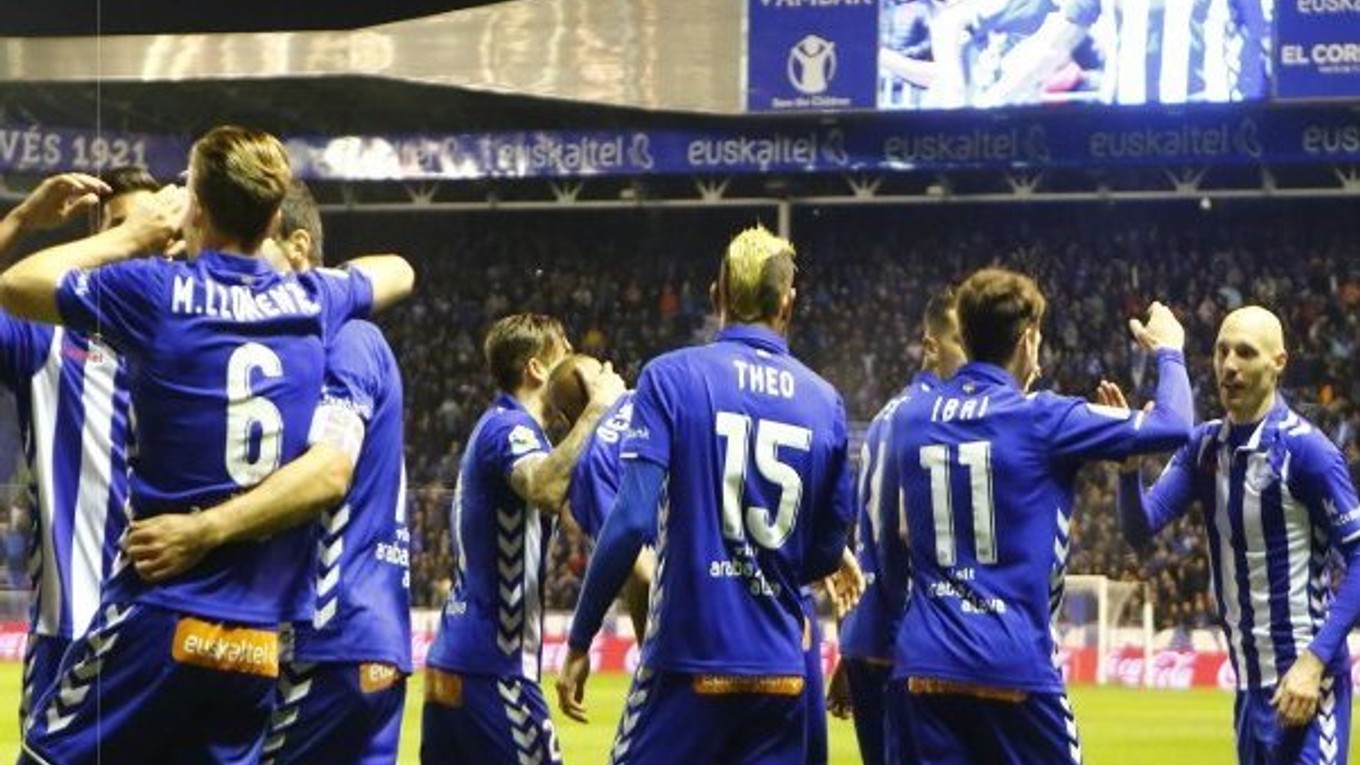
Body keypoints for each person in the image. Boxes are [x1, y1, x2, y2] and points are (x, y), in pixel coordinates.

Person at [2, 125, 414, 765]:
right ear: (273, 217)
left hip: (158, 614)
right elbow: (398, 270)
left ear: (193, 209)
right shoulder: (311, 300)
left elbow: (17, 283)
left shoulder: (155, 297)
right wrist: (298, 284)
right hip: (254, 646)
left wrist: (128, 237)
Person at [123, 179, 414, 765]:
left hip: (325, 640)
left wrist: (202, 530)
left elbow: (328, 471)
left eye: (258, 248)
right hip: (370, 642)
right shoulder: (333, 341)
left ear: (299, 248)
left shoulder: (344, 338)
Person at [557, 225, 855, 765]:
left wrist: (581, 638)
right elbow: (826, 551)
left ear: (717, 295)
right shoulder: (825, 402)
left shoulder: (669, 378)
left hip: (687, 661)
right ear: (788, 303)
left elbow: (630, 522)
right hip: (779, 671)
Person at [889, 266, 1192, 764]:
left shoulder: (910, 417)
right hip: (1011, 667)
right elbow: (1174, 424)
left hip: (921, 667)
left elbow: (904, 527)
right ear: (1027, 340)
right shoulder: (1044, 417)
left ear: (964, 336)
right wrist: (1170, 350)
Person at [1116, 305, 1360, 765]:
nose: (1229, 366)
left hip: (1309, 685)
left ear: (1278, 363)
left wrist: (1314, 662)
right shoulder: (1204, 447)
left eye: (1245, 353)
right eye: (1221, 351)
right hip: (1249, 691)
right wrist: (1128, 471)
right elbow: (1139, 527)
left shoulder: (1306, 452)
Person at [421, 313, 625, 765]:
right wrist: (598, 409)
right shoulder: (511, 428)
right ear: (536, 368)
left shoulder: (498, 426)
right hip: (493, 669)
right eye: (564, 351)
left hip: (457, 664)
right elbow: (544, 487)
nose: (575, 360)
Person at [0, 168, 156, 725]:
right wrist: (22, 219)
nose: (134, 244)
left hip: (163, 639)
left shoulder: (197, 337)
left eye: (147, 230)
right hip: (69, 634)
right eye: (120, 230)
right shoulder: (48, 337)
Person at [829, 286, 966, 765]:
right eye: (963, 342)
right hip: (903, 644)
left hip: (869, 637)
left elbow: (863, 535)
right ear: (931, 346)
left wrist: (854, 639)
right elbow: (898, 538)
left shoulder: (888, 413)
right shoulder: (930, 419)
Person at [545, 353, 654, 639]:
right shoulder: (656, 401)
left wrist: (647, 657)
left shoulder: (592, 460)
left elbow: (642, 573)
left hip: (692, 625)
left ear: (564, 419)